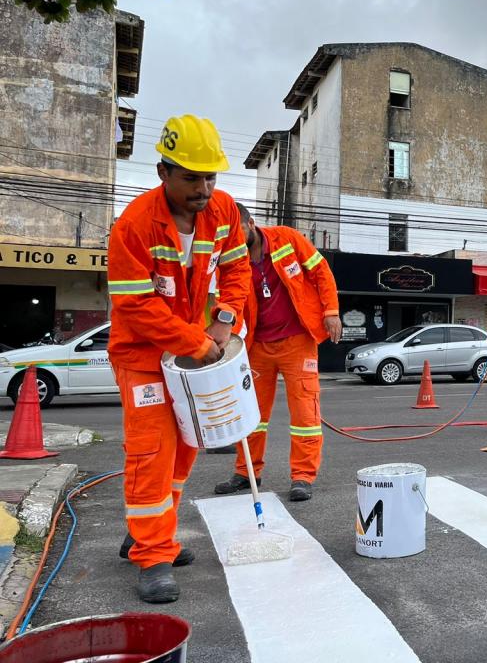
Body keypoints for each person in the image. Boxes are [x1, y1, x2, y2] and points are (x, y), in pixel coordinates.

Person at [107, 115, 249, 603]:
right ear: (163, 172)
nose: (204, 188)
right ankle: (151, 557)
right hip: (143, 356)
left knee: (187, 445)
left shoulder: (225, 210)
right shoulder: (134, 225)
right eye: (192, 176)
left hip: (190, 353)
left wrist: (225, 321)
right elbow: (134, 305)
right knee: (152, 452)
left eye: (211, 176)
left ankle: (150, 534)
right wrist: (195, 340)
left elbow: (237, 274)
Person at [214, 204, 341, 502]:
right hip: (257, 345)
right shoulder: (231, 260)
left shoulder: (287, 239)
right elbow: (227, 304)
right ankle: (246, 473)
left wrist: (331, 312)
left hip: (298, 341)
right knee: (251, 414)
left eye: (238, 230)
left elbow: (321, 272)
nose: (234, 238)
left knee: (304, 413)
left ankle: (303, 476)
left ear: (251, 224)